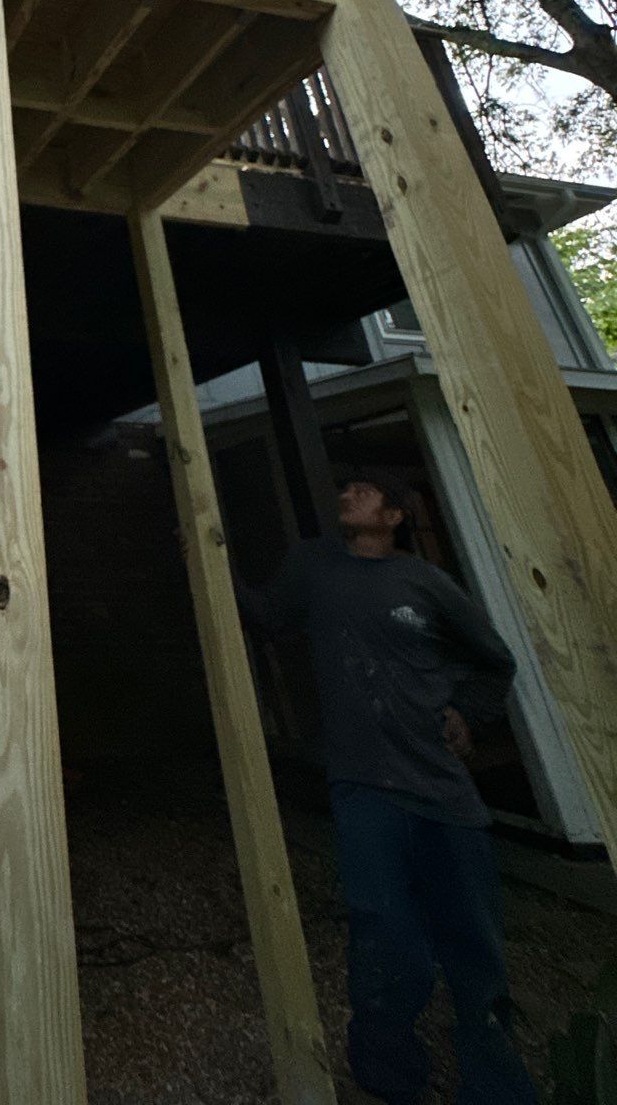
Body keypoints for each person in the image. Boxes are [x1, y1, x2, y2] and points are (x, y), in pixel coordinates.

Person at [238, 467, 537, 1105]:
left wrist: (466, 710)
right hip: (363, 787)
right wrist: (206, 560)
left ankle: (495, 1083)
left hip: (443, 793)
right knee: (383, 932)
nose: (347, 494)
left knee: (472, 942)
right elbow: (263, 615)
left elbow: (494, 661)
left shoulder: (425, 583)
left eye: (365, 492)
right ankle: (390, 1077)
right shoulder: (315, 567)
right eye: (343, 487)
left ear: (395, 517)